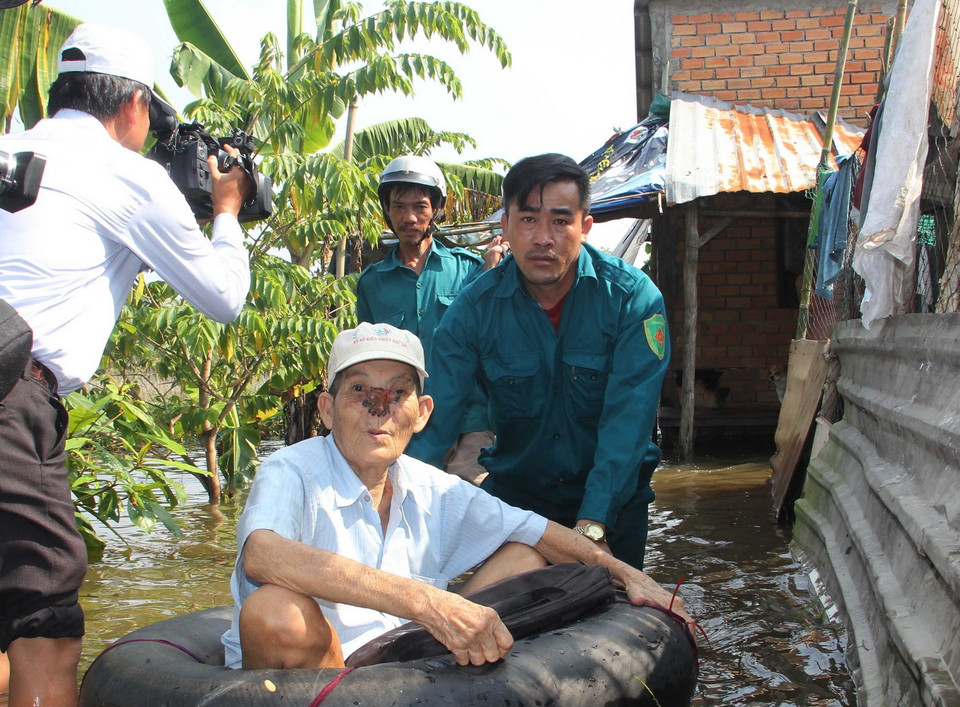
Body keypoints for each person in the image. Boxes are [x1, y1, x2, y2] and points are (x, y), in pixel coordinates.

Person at [0, 24, 253, 707]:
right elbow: (225, 298)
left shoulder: (13, 148)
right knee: (44, 614)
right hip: (10, 400)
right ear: (135, 106)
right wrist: (226, 211)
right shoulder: (127, 176)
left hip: (11, 385)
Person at [223, 323, 684, 670]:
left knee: (524, 555)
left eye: (397, 393)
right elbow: (262, 555)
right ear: (326, 409)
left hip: (403, 659)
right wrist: (426, 602)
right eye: (359, 389)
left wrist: (629, 576)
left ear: (421, 414)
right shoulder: (291, 469)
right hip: (323, 673)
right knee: (275, 612)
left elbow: (537, 532)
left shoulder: (430, 485)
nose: (377, 410)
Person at [408, 153, 670, 571]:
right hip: (519, 510)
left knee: (611, 619)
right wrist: (393, 511)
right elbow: (433, 422)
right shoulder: (473, 310)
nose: (543, 237)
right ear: (506, 226)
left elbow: (628, 422)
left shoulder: (632, 300)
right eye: (528, 220)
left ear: (585, 227)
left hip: (614, 508)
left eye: (560, 221)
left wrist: (592, 527)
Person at [355, 155, 503, 483]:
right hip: (405, 424)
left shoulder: (469, 269)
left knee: (474, 506)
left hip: (470, 421)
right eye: (398, 207)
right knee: (410, 513)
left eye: (420, 207)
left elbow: (492, 338)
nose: (409, 217)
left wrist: (492, 273)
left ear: (436, 209)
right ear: (386, 211)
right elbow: (367, 361)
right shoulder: (372, 283)